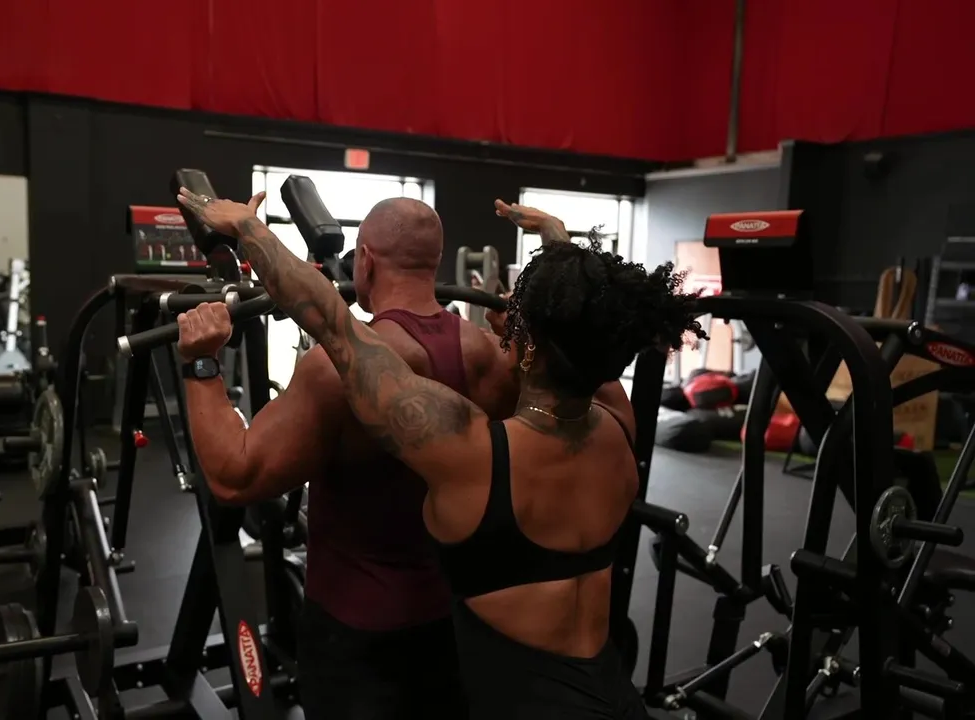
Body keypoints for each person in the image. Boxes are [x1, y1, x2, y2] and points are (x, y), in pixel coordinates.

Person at [177, 187, 705, 719]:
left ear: (365, 260)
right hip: (604, 693)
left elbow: (332, 330)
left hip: (410, 661)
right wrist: (557, 249)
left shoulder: (474, 452)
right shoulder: (618, 426)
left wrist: (209, 341)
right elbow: (585, 330)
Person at [174, 197, 518, 720]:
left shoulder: (334, 372)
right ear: (436, 261)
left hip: (356, 637)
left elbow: (234, 476)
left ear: (366, 261)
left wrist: (201, 363)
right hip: (457, 620)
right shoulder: (494, 354)